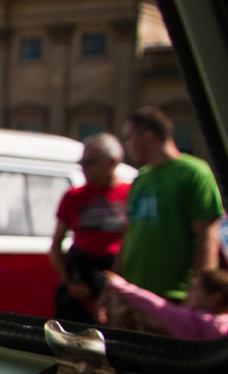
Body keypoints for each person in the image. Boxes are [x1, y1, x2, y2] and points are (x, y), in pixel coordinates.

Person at [115, 106, 222, 301]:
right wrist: (115, 285)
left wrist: (198, 297)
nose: (128, 146)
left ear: (148, 136)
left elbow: (207, 238)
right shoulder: (141, 178)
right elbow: (130, 235)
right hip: (133, 292)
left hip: (172, 296)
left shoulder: (193, 173)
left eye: (129, 138)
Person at [49, 133, 130, 322]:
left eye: (90, 162)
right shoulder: (73, 196)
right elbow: (55, 245)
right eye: (82, 162)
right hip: (81, 271)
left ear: (112, 161)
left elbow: (129, 240)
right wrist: (69, 281)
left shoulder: (129, 193)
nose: (84, 168)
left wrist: (115, 281)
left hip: (114, 272)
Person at [98, 269, 228, 339]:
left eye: (194, 289)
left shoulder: (198, 321)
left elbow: (158, 307)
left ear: (214, 299)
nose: (188, 293)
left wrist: (121, 285)